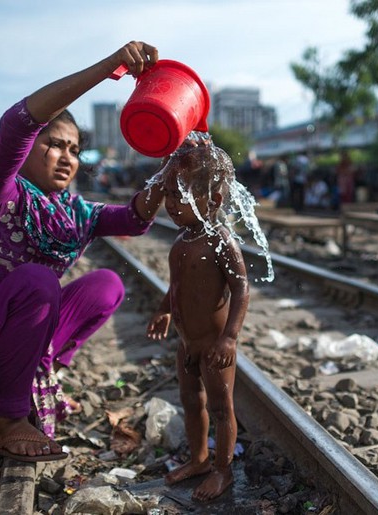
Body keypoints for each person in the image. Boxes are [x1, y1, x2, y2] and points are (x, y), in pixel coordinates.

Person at [0, 41, 165, 467]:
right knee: (37, 281)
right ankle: (7, 420)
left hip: (15, 348)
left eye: (75, 150)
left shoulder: (71, 212)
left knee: (107, 284)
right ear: (27, 149)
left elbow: (134, 219)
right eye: (56, 145)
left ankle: (38, 377)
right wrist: (107, 68)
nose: (68, 158)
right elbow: (18, 122)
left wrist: (171, 173)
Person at [146, 144, 250, 501]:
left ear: (214, 199)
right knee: (190, 400)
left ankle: (224, 471)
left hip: (215, 344)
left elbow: (241, 289)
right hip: (186, 342)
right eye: (169, 195)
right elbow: (176, 287)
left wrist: (230, 338)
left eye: (183, 195)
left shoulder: (220, 241)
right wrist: (164, 309)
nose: (172, 205)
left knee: (221, 408)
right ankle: (200, 459)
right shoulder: (180, 240)